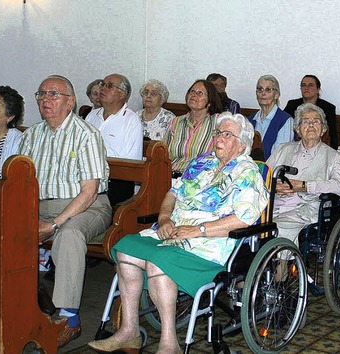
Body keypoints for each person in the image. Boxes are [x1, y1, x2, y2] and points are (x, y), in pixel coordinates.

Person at [88, 113, 269, 354]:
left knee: (157, 263)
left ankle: (168, 343)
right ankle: (129, 331)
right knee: (126, 249)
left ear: (242, 144)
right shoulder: (202, 162)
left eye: (227, 134)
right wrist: (164, 218)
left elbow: (242, 219)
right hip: (175, 233)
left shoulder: (248, 173)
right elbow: (173, 194)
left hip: (212, 243)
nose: (219, 138)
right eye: (218, 133)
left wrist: (197, 230)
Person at [19, 75, 112, 347]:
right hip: (40, 206)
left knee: (69, 235)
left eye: (54, 94)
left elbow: (89, 192)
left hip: (87, 206)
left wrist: (54, 224)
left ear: (70, 102)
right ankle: (20, 306)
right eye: (41, 94)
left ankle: (69, 319)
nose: (46, 99)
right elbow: (22, 186)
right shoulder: (32, 135)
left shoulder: (87, 135)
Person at [267, 103, 340, 250]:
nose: (310, 125)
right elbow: (263, 175)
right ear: (298, 129)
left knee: (281, 230)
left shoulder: (332, 156)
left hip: (303, 210)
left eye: (316, 121)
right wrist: (273, 186)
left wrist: (304, 186)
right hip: (272, 206)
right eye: (305, 121)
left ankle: (281, 272)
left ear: (323, 129)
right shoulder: (283, 149)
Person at [86, 73, 143, 206]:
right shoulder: (91, 116)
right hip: (87, 177)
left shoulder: (131, 120)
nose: (102, 89)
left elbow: (131, 165)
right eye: (103, 85)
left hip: (115, 181)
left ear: (122, 94)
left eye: (109, 86)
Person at [165, 79, 223, 177]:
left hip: (200, 180)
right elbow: (163, 154)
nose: (194, 95)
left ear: (209, 102)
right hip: (171, 177)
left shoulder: (218, 122)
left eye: (200, 93)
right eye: (192, 91)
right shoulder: (176, 122)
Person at [284, 75, 339, 149]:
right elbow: (284, 127)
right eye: (303, 85)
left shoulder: (328, 108)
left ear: (318, 89)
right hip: (295, 146)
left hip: (319, 147)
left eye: (310, 85)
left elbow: (333, 135)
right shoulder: (292, 105)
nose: (306, 88)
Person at [248, 74, 294, 160]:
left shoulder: (286, 121)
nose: (263, 93)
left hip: (271, 171)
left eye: (268, 90)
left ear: (276, 95)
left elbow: (279, 156)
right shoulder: (249, 121)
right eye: (260, 89)